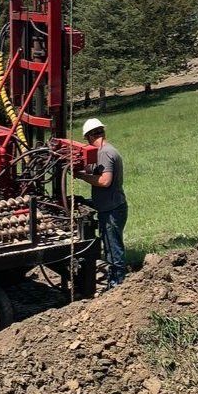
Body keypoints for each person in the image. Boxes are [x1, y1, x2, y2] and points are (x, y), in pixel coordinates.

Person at [75, 117, 128, 289]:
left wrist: (82, 177)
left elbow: (105, 181)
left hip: (111, 210)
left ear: (90, 136)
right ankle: (117, 281)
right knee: (112, 245)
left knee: (113, 248)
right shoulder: (109, 150)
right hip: (112, 205)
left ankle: (118, 283)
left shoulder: (105, 152)